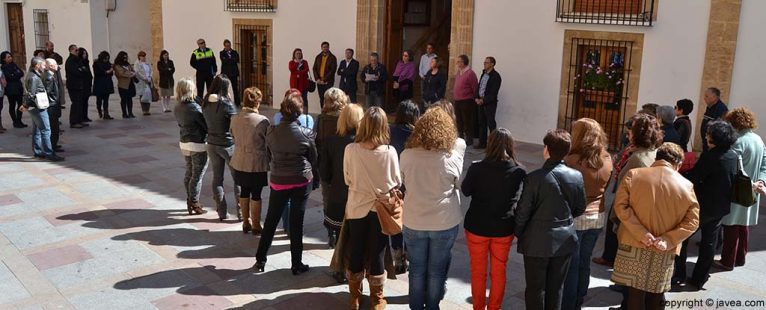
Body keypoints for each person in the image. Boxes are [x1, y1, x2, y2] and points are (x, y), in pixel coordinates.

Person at [611, 143, 700, 310]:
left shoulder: (634, 174)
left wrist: (641, 233)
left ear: (657, 158)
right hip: (664, 248)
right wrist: (668, 239)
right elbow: (693, 221)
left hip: (633, 242)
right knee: (656, 294)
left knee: (634, 293)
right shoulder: (687, 186)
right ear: (679, 164)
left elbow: (620, 206)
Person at [400, 107, 467, 309]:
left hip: (414, 219)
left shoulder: (407, 155)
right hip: (443, 221)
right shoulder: (451, 158)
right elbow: (459, 185)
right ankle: (432, 306)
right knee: (436, 270)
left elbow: (402, 181)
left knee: (417, 269)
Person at [515, 129, 585, 310]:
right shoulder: (576, 176)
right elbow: (580, 207)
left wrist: (521, 233)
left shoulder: (533, 178)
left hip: (536, 240)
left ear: (546, 149)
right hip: (564, 240)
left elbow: (523, 212)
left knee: (535, 289)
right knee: (556, 288)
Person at [339, 106, 401, 309]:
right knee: (377, 253)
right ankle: (377, 299)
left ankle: (354, 297)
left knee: (356, 248)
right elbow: (397, 181)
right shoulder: (390, 152)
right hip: (380, 209)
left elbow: (348, 179)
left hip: (357, 207)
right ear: (384, 126)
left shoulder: (350, 149)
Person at [254, 91, 318, 276]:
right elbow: (313, 158)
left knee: (271, 221)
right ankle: (296, 264)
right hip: (300, 180)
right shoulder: (306, 133)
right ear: (299, 112)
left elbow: (268, 154)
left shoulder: (271, 131)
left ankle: (260, 259)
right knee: (297, 223)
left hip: (279, 179)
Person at [461, 128, 526, 310]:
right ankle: (494, 307)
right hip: (503, 228)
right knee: (498, 272)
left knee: (478, 272)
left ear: (490, 145)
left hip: (477, 226)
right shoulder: (519, 171)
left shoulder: (476, 168)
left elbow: (465, 191)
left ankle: (479, 308)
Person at [674, 121, 738, 290]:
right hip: (720, 206)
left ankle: (678, 274)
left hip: (702, 206)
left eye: (709, 133)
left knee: (683, 238)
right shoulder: (732, 155)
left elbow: (695, 177)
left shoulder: (711, 156)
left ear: (715, 137)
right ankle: (699, 278)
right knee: (709, 243)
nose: (706, 136)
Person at [594, 113, 663, 268]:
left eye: (631, 130)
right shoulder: (650, 150)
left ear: (638, 133)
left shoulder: (637, 159)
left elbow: (625, 188)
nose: (628, 133)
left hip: (630, 207)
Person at [561, 118, 613, 310]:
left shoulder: (571, 160)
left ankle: (569, 303)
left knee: (572, 266)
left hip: (576, 216)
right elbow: (605, 187)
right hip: (597, 216)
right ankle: (580, 298)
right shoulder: (607, 158)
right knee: (584, 261)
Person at [717, 108, 766, 270]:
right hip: (753, 189)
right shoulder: (758, 139)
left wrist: (751, 182)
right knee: (744, 226)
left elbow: (735, 167)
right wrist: (761, 181)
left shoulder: (738, 141)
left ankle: (727, 261)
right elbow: (764, 165)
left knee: (732, 226)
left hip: (739, 189)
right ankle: (740, 258)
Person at [322, 103, 364, 284]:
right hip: (360, 197)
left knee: (340, 235)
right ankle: (354, 269)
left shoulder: (331, 142)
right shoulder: (365, 144)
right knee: (357, 236)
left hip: (339, 195)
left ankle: (340, 268)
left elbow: (324, 174)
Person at [231, 87, 269, 235]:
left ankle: (245, 222)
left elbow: (233, 136)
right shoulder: (263, 121)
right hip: (256, 162)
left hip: (240, 160)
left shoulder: (235, 118)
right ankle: (256, 224)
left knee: (244, 191)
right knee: (256, 194)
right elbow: (267, 141)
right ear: (257, 103)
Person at [202, 75, 240, 221]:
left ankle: (222, 212)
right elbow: (235, 124)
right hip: (227, 144)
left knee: (217, 179)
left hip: (211, 143)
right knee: (238, 179)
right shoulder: (226, 104)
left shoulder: (205, 102)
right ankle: (241, 211)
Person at [388, 99, 420, 274]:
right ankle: (408, 252)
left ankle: (397, 255)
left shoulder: (389, 131)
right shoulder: (417, 135)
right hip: (412, 184)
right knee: (410, 221)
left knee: (396, 220)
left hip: (394, 183)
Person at [314, 87, 349, 248]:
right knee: (346, 199)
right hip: (343, 164)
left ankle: (331, 233)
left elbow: (316, 142)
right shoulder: (346, 119)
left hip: (326, 165)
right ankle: (344, 230)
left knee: (328, 198)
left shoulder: (321, 119)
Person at [174, 78, 208, 215]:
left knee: (189, 172)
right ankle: (194, 202)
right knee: (197, 175)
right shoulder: (194, 107)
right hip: (197, 143)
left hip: (184, 141)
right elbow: (205, 125)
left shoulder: (178, 106)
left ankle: (190, 199)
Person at [20, 57, 64, 162]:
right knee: (46, 130)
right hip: (38, 107)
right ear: (37, 65)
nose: (45, 67)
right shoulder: (34, 77)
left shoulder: (33, 75)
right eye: (43, 65)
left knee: (37, 130)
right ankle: (49, 153)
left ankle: (38, 151)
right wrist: (25, 105)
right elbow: (31, 93)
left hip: (34, 106)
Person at [476, 56, 502, 149]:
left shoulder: (496, 76)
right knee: (481, 124)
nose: (484, 64)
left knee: (491, 124)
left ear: (492, 64)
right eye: (484, 62)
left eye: (486, 62)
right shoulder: (483, 74)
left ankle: (493, 145)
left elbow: (493, 93)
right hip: (480, 101)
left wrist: (483, 100)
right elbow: (479, 87)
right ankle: (482, 144)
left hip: (489, 103)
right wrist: (477, 98)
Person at [453, 55, 479, 147]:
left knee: (467, 121)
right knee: (459, 121)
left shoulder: (470, 73)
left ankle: (469, 139)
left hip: (467, 100)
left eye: (459, 61)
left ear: (464, 62)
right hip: (458, 100)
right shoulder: (459, 73)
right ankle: (460, 138)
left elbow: (475, 87)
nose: (457, 63)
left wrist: (475, 98)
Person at [1, 51, 26, 128]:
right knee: (12, 105)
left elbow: (21, 73)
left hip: (18, 87)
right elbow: (9, 77)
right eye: (8, 57)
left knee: (21, 105)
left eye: (10, 56)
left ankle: (19, 120)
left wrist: (14, 74)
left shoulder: (14, 64)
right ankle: (15, 121)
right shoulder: (3, 67)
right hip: (10, 89)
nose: (10, 58)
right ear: (4, 59)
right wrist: (15, 74)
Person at [700, 87, 729, 152]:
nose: (704, 98)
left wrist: (712, 144)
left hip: (713, 146)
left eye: (706, 96)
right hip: (706, 143)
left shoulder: (721, 109)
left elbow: (720, 130)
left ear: (715, 97)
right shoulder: (709, 106)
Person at [44, 59, 63, 153]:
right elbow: (47, 92)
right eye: (56, 64)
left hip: (53, 104)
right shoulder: (49, 77)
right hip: (51, 106)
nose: (57, 66)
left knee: (55, 127)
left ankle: (54, 144)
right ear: (51, 66)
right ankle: (52, 146)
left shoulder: (50, 75)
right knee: (53, 127)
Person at [313, 41, 337, 109]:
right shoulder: (318, 57)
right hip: (319, 82)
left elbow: (332, 70)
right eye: (324, 47)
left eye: (326, 47)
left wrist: (324, 80)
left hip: (328, 82)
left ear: (329, 47)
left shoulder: (332, 57)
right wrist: (317, 79)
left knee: (328, 98)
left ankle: (328, 113)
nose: (325, 48)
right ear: (321, 48)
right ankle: (322, 112)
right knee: (321, 98)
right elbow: (314, 68)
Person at [92, 51, 115, 120]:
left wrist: (110, 71)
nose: (106, 60)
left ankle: (106, 113)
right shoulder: (96, 63)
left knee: (106, 99)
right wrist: (107, 71)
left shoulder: (108, 63)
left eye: (108, 58)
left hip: (107, 83)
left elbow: (111, 74)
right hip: (99, 84)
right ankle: (99, 110)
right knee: (99, 99)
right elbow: (98, 73)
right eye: (105, 58)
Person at [114, 51, 137, 119]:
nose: (125, 58)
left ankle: (130, 112)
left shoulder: (128, 64)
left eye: (126, 57)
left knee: (130, 99)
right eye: (124, 57)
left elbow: (133, 70)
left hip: (130, 84)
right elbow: (121, 73)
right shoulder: (117, 65)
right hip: (122, 85)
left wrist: (132, 73)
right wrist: (130, 74)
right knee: (124, 99)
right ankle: (124, 113)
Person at [44, 41, 65, 109]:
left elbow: (60, 60)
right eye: (51, 46)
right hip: (48, 74)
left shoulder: (55, 54)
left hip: (56, 72)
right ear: (47, 46)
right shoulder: (44, 54)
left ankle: (59, 102)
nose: (52, 48)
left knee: (58, 87)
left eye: (53, 46)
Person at [220, 39, 241, 106]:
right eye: (226, 46)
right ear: (224, 46)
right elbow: (224, 61)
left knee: (235, 88)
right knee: (224, 88)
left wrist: (229, 60)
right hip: (226, 73)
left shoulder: (234, 52)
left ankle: (237, 102)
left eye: (229, 46)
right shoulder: (222, 53)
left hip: (233, 73)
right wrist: (231, 60)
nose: (228, 47)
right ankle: (225, 102)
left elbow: (237, 60)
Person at [135, 51, 153, 115]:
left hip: (148, 80)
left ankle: (147, 109)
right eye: (142, 56)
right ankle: (144, 110)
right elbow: (137, 72)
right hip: (142, 81)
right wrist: (144, 78)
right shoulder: (137, 63)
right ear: (139, 57)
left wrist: (150, 77)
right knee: (142, 95)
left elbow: (151, 70)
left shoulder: (147, 63)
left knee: (148, 94)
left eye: (144, 56)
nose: (144, 57)